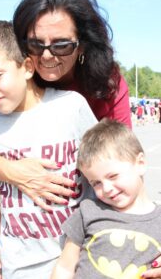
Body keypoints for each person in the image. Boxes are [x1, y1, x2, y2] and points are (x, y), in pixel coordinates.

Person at [0, 0, 131, 212]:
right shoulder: (5, 83)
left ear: (82, 45)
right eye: (36, 44)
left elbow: (123, 163)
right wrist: (12, 171)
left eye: (61, 45)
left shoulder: (107, 83)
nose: (48, 55)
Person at [0, 20, 97, 279]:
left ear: (26, 67)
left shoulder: (71, 107)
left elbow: (103, 167)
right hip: (17, 261)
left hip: (74, 256)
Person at [51, 119, 161, 279]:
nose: (107, 188)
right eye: (96, 183)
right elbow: (65, 267)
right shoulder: (88, 212)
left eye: (113, 176)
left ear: (140, 163)